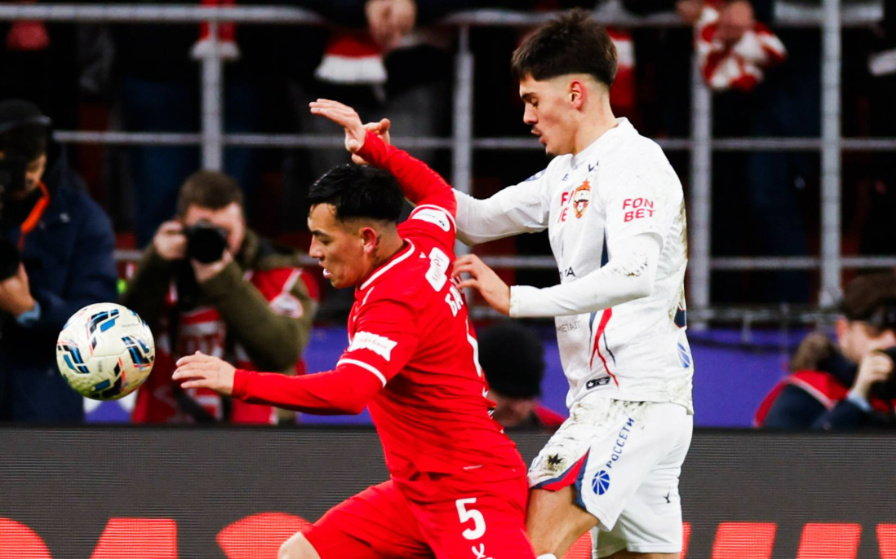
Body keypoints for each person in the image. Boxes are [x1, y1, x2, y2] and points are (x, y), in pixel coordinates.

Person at [172, 104, 537, 559]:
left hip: (467, 488)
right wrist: (376, 151)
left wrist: (240, 381)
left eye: (324, 238)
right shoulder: (423, 238)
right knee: (300, 555)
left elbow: (348, 393)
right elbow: (437, 194)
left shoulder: (394, 302)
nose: (313, 251)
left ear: (366, 239)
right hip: (416, 490)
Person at [402, 10, 693, 559]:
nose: (527, 116)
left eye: (534, 100)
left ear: (575, 93)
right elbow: (475, 219)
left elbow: (635, 272)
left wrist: (518, 299)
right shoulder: (567, 172)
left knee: (516, 548)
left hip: (630, 400)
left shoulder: (635, 164)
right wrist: (385, 161)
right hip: (626, 402)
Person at [122, 170, 318, 424]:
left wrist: (222, 278)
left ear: (243, 225)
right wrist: (155, 265)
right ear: (180, 225)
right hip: (165, 430)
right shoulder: (157, 270)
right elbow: (119, 346)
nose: (214, 239)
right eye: (202, 229)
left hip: (258, 435)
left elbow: (282, 353)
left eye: (224, 231)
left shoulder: (280, 276)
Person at [0, 99, 118, 422]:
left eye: (34, 168)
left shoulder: (83, 218)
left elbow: (99, 324)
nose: (25, 180)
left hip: (44, 400)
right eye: (12, 170)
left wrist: (30, 309)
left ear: (47, 156)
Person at [756, 273, 896, 431]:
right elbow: (790, 453)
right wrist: (856, 399)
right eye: (875, 329)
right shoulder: (807, 391)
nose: (890, 341)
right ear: (843, 331)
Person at [477, 320, 565, 432]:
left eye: (525, 397)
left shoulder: (560, 432)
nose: (516, 408)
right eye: (505, 395)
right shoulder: (455, 429)